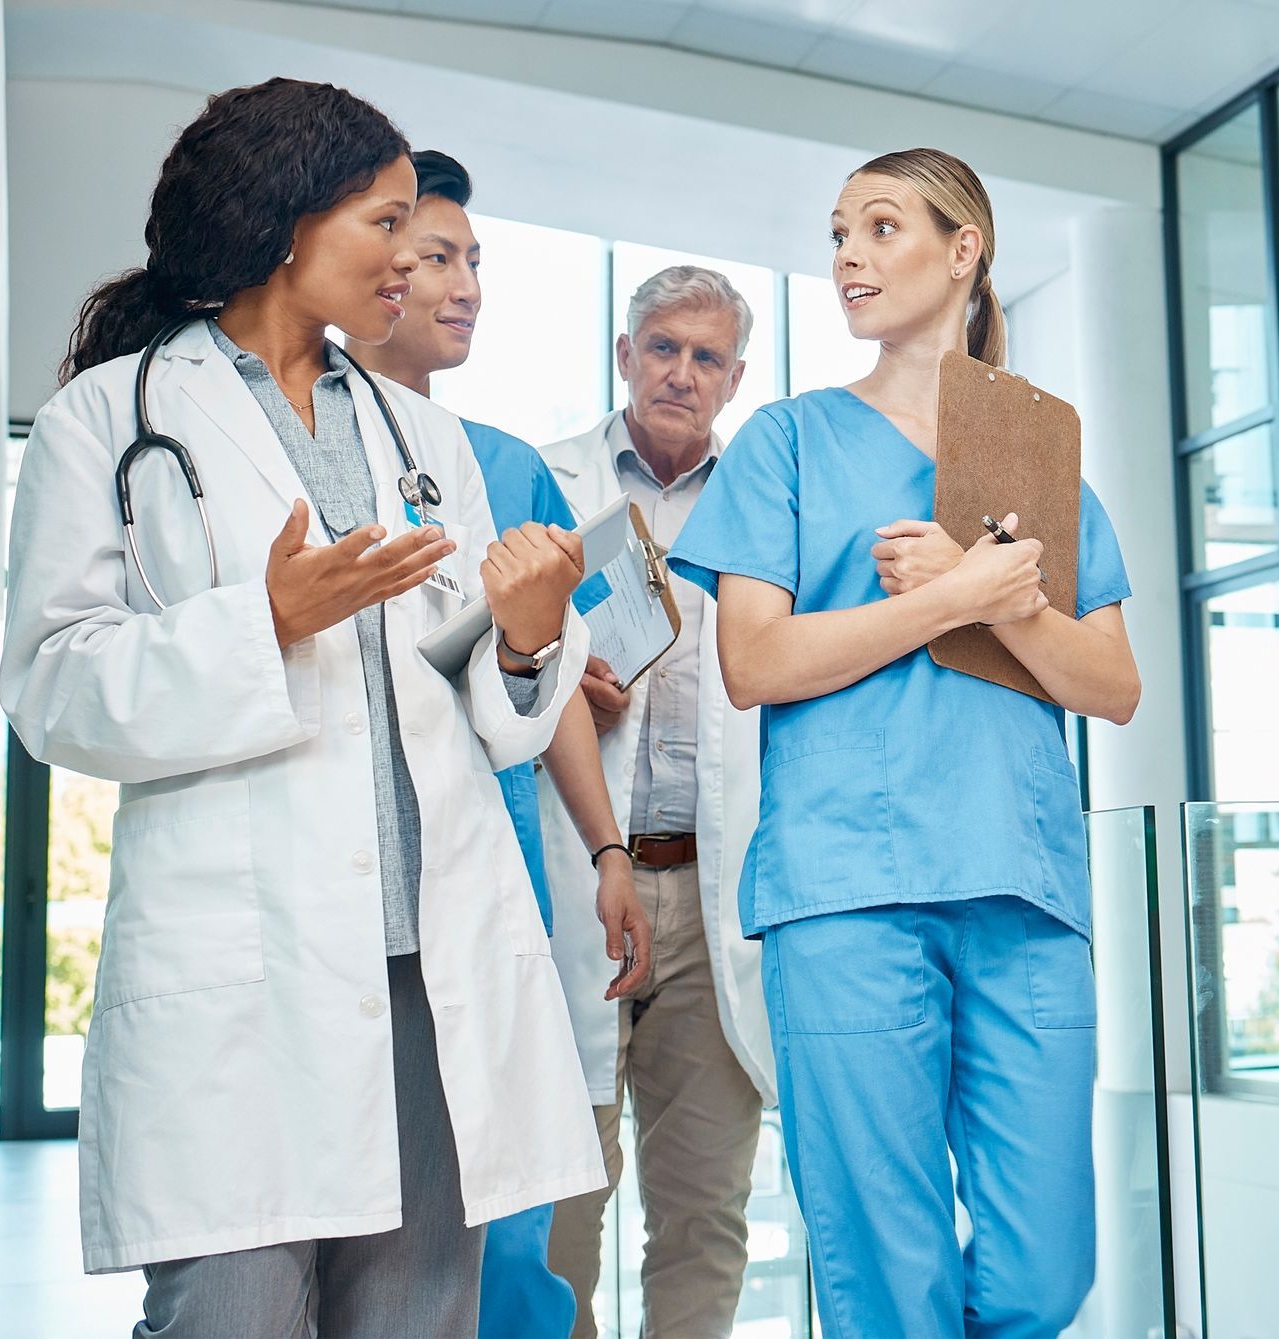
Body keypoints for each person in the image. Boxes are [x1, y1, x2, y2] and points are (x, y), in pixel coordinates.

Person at [0, 79, 605, 1337]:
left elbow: (486, 704)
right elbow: (55, 689)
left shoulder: (413, 431)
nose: (412, 261)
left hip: (429, 977)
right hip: (249, 962)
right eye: (386, 226)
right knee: (237, 1313)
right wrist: (263, 623)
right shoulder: (110, 420)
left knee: (416, 1318)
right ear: (288, 223)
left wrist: (532, 633)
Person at [666, 148, 1141, 1339]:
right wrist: (942, 601)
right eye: (838, 235)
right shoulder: (787, 439)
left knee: (1045, 1275)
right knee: (889, 1275)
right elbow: (754, 661)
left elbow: (1114, 685)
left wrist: (1006, 602)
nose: (848, 259)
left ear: (963, 247)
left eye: (882, 229)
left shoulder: (1045, 458)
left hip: (1024, 887)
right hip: (848, 893)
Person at [347, 147, 649, 1339]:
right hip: (353, 871)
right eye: (438, 258)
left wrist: (607, 849)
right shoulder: (280, 449)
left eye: (476, 262)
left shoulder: (508, 465)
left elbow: (552, 681)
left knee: (504, 1208)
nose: (466, 285)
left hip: (493, 869)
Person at [541, 267, 778, 1339]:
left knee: (704, 1211)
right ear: (625, 355)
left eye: (708, 356)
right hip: (584, 881)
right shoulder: (551, 485)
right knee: (559, 1205)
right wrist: (552, 672)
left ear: (735, 377)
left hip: (710, 889)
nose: (683, 372)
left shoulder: (766, 501)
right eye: (663, 347)